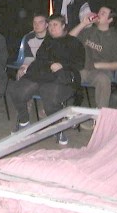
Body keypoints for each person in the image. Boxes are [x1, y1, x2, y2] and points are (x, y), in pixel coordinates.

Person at [7, 14, 85, 145]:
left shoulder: (74, 42)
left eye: (55, 25)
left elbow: (79, 63)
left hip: (61, 77)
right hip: (42, 74)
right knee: (16, 90)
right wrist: (28, 68)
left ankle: (58, 128)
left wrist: (62, 65)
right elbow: (39, 58)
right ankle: (24, 122)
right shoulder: (47, 42)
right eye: (50, 25)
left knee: (49, 95)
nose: (52, 28)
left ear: (63, 26)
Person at [69, 6, 117, 118]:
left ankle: (100, 116)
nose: (98, 14)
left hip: (100, 71)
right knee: (64, 75)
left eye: (103, 13)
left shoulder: (115, 38)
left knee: (103, 79)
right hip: (82, 69)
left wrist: (98, 65)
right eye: (99, 11)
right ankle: (60, 112)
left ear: (110, 20)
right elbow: (68, 40)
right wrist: (83, 24)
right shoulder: (89, 31)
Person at [16, 13, 49, 80]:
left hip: (47, 68)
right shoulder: (29, 37)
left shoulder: (51, 37)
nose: (37, 25)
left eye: (40, 22)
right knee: (20, 74)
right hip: (33, 66)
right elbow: (29, 57)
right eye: (35, 22)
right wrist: (23, 68)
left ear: (46, 25)